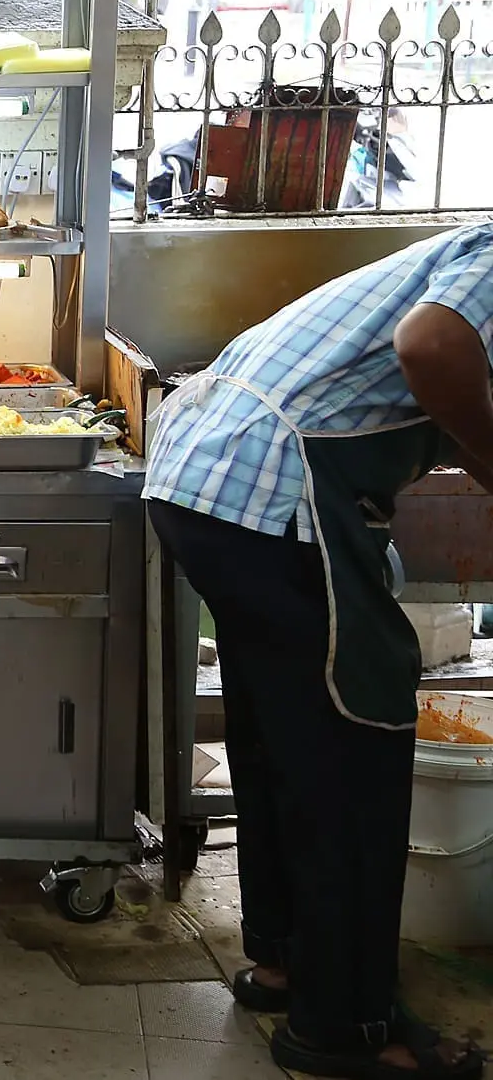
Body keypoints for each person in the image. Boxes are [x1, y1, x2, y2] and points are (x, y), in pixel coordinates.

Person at [146, 226, 493, 1080]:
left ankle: (283, 959)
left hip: (204, 474)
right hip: (272, 482)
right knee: (357, 741)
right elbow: (434, 343)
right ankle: (348, 1023)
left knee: (281, 736)